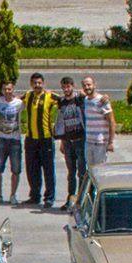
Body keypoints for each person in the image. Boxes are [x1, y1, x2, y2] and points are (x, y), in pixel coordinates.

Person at [20, 72, 58, 209]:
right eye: (35, 83)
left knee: (48, 169)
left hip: (45, 139)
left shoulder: (50, 96)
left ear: (43, 83)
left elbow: (67, 99)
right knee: (32, 169)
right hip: (31, 139)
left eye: (39, 83)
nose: (37, 85)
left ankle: (49, 198)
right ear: (31, 84)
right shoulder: (27, 95)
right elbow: (12, 99)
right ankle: (34, 196)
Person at [0, 80, 23, 204]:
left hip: (15, 140)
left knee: (16, 169)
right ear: (2, 90)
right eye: (5, 89)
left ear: (13, 89)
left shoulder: (19, 103)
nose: (7, 91)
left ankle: (13, 195)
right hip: (2, 139)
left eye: (9, 89)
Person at [56, 76, 86, 211]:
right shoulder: (61, 102)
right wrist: (62, 141)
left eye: (68, 86)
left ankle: (81, 200)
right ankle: (70, 199)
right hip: (68, 142)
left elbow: (91, 96)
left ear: (73, 86)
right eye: (64, 87)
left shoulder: (79, 99)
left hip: (80, 140)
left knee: (82, 172)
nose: (66, 89)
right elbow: (61, 121)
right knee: (71, 173)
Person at [81, 75, 114, 175]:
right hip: (88, 143)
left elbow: (112, 122)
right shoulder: (85, 100)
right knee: (91, 173)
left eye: (89, 85)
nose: (87, 87)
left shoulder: (102, 101)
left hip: (100, 144)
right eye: (84, 85)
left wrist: (110, 142)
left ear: (94, 85)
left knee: (100, 173)